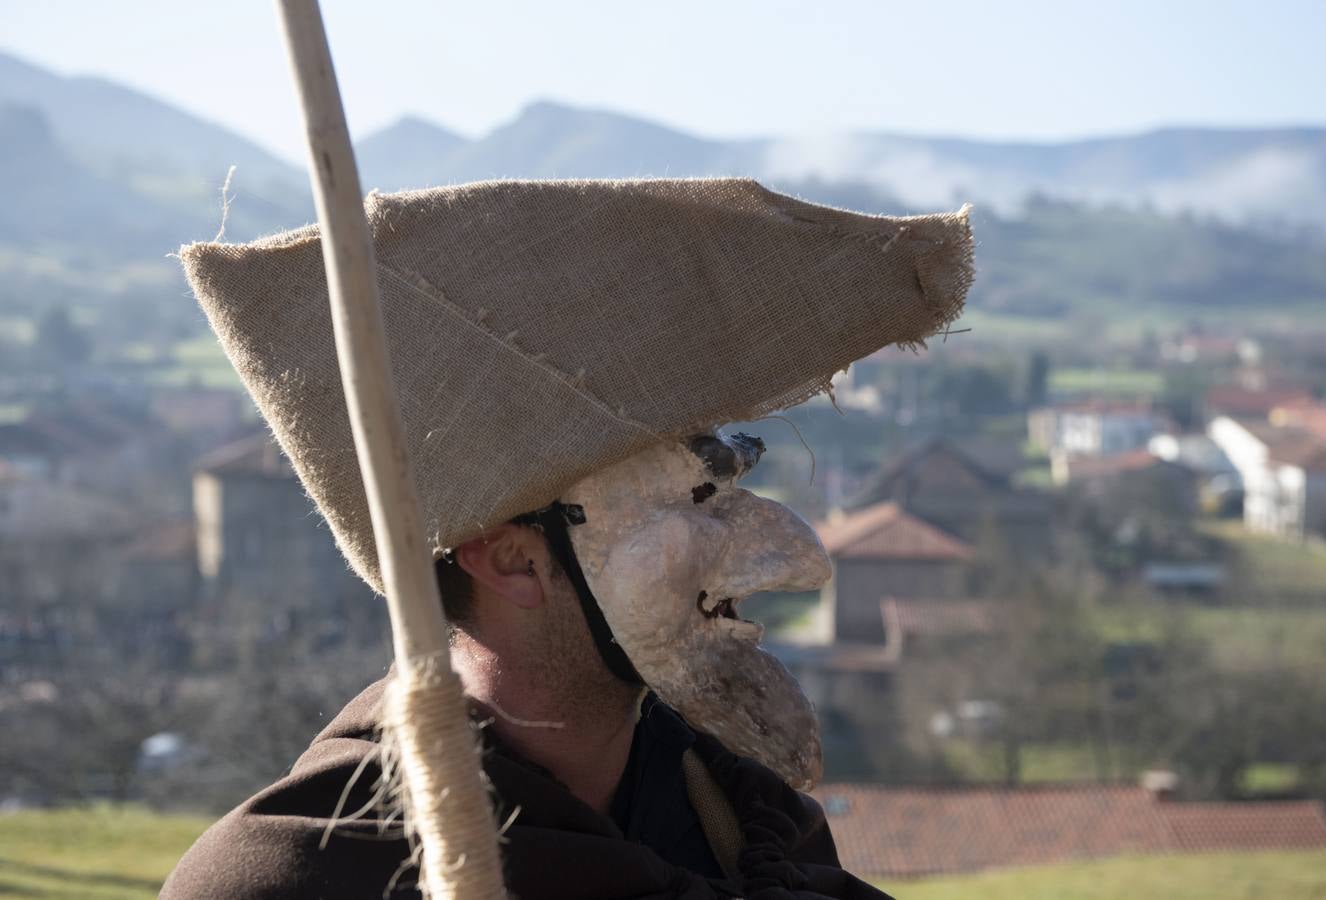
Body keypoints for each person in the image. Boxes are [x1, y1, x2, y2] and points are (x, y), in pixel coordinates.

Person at [161, 178, 974, 897]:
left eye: (730, 486)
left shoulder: (747, 830)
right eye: (692, 501)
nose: (802, 557)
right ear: (512, 557)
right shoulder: (292, 883)